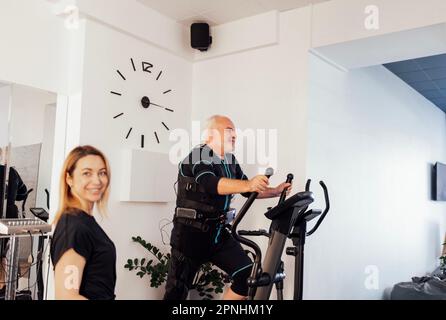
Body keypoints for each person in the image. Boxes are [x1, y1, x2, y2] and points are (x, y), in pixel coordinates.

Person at [164, 115, 292, 300]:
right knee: (176, 293)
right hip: (190, 236)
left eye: (235, 132)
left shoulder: (230, 160)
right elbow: (210, 183)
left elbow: (248, 189)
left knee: (248, 276)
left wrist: (275, 191)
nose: (234, 135)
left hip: (217, 234)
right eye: (228, 130)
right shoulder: (198, 155)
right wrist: (249, 185)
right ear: (210, 135)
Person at [50, 145, 116, 300]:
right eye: (87, 173)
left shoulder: (83, 221)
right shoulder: (75, 227)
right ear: (69, 179)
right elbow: (66, 297)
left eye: (102, 173)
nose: (97, 180)